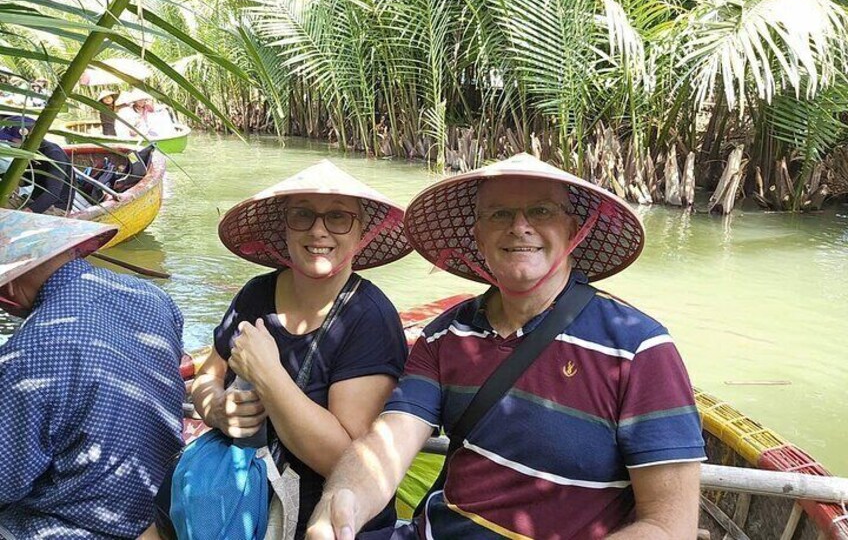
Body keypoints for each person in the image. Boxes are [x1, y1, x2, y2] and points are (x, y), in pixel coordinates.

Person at [307, 153, 707, 539]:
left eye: (541, 211)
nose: (519, 227)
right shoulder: (446, 336)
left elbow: (669, 526)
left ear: (573, 230)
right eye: (499, 214)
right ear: (478, 236)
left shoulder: (638, 348)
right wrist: (343, 501)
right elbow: (389, 442)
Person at [165, 160, 412, 539]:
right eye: (302, 215)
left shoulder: (370, 318)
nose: (318, 230)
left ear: (361, 232)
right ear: (284, 227)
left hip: (319, 523)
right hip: (232, 503)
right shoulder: (256, 294)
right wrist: (216, 408)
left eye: (338, 217)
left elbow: (346, 461)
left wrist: (268, 375)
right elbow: (208, 377)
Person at [0, 209, 185, 538]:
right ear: (71, 249)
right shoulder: (154, 297)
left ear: (10, 284)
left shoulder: (27, 353)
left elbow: (6, 482)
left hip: (76, 528)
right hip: (159, 509)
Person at [0, 116, 75, 214]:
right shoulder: (29, 152)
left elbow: (53, 193)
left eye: (11, 140)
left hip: (55, 207)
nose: (9, 144)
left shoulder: (54, 154)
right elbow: (25, 180)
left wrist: (29, 212)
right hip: (33, 201)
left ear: (26, 138)